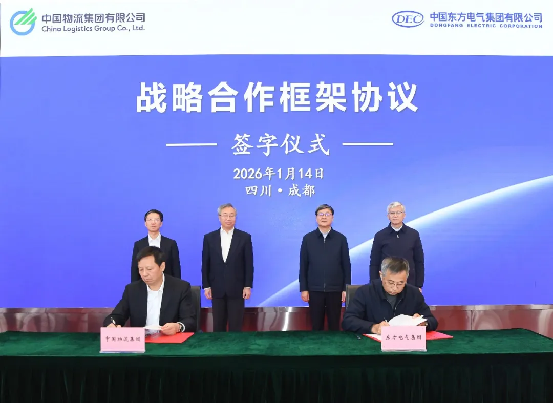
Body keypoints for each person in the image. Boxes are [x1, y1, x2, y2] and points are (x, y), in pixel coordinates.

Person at [104, 246, 196, 334]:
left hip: (170, 341)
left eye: (149, 269)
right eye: (141, 269)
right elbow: (116, 316)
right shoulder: (132, 290)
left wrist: (178, 326)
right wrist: (111, 324)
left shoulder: (180, 288)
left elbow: (190, 320)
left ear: (162, 266)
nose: (144, 274)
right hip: (142, 341)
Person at [343, 257, 437, 334]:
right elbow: (348, 320)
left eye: (400, 283)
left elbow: (432, 320)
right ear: (381, 276)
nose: (395, 288)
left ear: (406, 279)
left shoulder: (414, 293)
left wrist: (423, 323)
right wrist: (374, 327)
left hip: (404, 344)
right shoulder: (365, 292)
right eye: (391, 283)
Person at [202, 203, 254, 332]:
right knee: (218, 325)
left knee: (236, 326)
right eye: (225, 215)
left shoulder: (244, 237)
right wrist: (206, 286)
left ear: (236, 217)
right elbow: (205, 263)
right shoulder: (209, 238)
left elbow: (248, 263)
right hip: (216, 288)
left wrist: (247, 286)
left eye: (231, 215)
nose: (228, 218)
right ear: (219, 217)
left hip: (237, 288)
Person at [299, 204, 351, 331]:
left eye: (327, 214)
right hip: (314, 289)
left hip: (335, 290)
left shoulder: (341, 239)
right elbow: (303, 265)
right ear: (316, 218)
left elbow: (346, 265)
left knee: (334, 325)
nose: (324, 217)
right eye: (321, 214)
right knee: (316, 325)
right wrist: (304, 289)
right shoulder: (308, 239)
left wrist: (345, 289)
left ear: (332, 218)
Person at [369, 202, 425, 291]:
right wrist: (373, 285)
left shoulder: (413, 234)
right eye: (392, 213)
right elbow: (374, 263)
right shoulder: (380, 235)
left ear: (404, 215)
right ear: (388, 216)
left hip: (409, 283)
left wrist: (419, 285)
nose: (395, 216)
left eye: (398, 212)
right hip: (386, 284)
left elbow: (419, 261)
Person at [131, 209, 181, 282]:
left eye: (156, 220)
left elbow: (176, 268)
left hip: (167, 284)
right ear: (145, 223)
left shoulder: (171, 244)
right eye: (150, 220)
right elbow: (135, 269)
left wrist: (177, 286)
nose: (153, 222)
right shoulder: (139, 244)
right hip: (145, 284)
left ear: (161, 223)